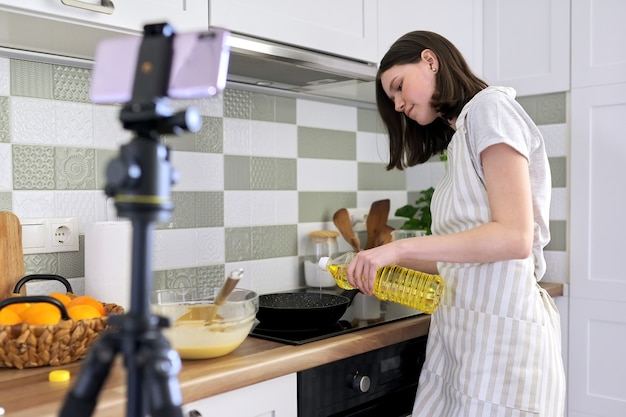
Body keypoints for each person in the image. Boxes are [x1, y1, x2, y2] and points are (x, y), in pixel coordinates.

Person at [346, 31, 566, 416]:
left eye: (398, 87)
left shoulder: (490, 109)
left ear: (431, 61)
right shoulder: (460, 136)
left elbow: (514, 237)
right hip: (466, 340)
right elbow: (461, 255)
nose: (397, 104)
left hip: (505, 346)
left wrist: (399, 247)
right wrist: (384, 260)